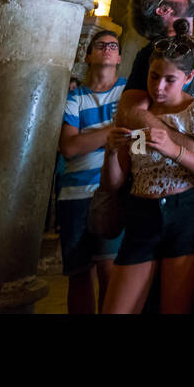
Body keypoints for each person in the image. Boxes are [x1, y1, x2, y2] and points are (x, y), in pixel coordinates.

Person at [100, 23, 194, 313]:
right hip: (141, 213)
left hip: (185, 214)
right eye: (153, 76)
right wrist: (111, 151)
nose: (158, 87)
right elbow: (114, 183)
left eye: (170, 79)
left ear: (188, 77)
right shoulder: (138, 114)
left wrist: (175, 151)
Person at [56, 29, 127, 314]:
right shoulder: (75, 98)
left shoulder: (127, 93)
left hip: (111, 193)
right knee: (78, 273)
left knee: (110, 270)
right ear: (88, 55)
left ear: (120, 57)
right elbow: (69, 148)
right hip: (73, 196)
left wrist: (88, 138)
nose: (107, 49)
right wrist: (113, 131)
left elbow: (133, 133)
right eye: (100, 45)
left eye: (113, 46)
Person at [115, 0, 194, 153]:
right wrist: (186, 145)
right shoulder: (152, 54)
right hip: (164, 163)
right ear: (163, 10)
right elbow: (129, 113)